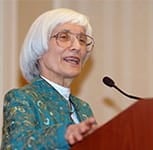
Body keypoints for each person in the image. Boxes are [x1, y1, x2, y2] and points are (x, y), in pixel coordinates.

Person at [1, 8, 97, 150]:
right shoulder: (22, 98)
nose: (77, 47)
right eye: (64, 37)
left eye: (82, 40)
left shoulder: (83, 108)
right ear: (39, 47)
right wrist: (65, 134)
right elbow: (17, 145)